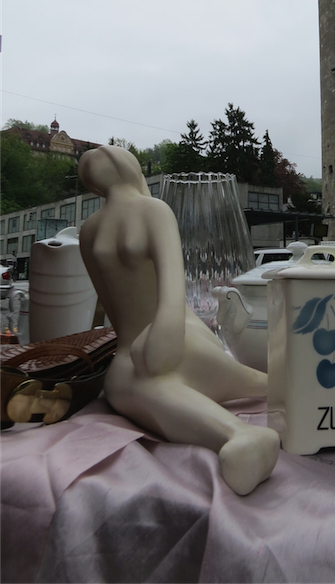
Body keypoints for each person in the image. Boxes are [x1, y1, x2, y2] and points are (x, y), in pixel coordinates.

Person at [78, 145, 279, 495]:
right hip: (149, 347)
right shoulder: (135, 216)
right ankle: (242, 432)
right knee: (130, 385)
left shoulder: (104, 226)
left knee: (144, 383)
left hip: (174, 338)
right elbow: (118, 304)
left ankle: (243, 429)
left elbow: (170, 298)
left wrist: (162, 341)